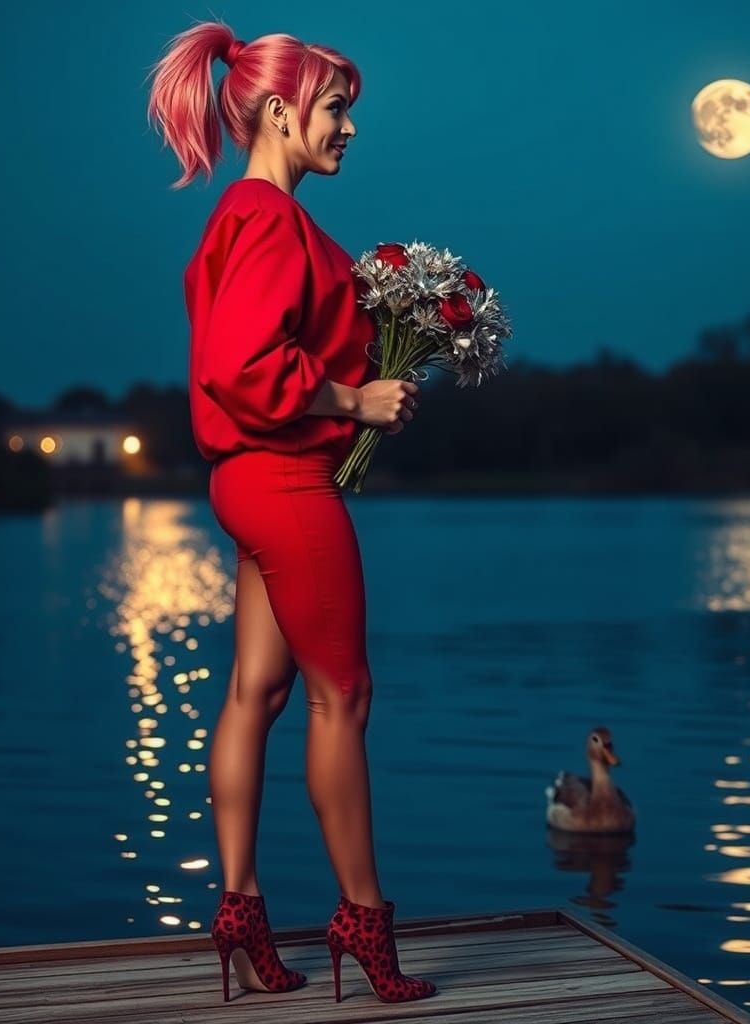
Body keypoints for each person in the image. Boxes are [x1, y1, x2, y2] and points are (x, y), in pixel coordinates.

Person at [145, 20, 437, 1006]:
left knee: (257, 690)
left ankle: (239, 910)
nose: (349, 127)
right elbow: (241, 364)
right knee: (341, 695)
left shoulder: (240, 215)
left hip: (246, 480)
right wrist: (358, 400)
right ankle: (364, 919)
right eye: (336, 108)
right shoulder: (269, 218)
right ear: (279, 111)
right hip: (283, 481)